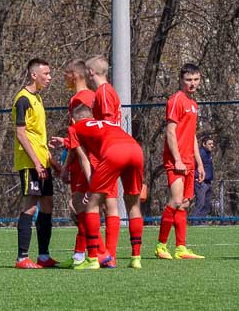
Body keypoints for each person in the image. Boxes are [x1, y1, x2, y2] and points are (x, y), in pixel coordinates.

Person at [67, 105, 145, 270]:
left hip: (114, 152)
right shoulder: (105, 124)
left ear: (73, 119)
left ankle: (94, 258)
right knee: (133, 203)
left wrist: (91, 184)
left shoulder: (74, 128)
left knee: (92, 203)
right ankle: (136, 258)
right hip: (136, 150)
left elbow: (83, 159)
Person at [52, 59, 108, 268]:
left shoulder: (79, 99)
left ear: (74, 75)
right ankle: (82, 254)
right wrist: (66, 142)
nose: (63, 78)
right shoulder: (91, 96)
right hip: (89, 158)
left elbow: (81, 138)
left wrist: (67, 164)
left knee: (81, 209)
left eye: (66, 74)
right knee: (84, 209)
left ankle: (98, 252)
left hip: (82, 162)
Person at [12, 57, 60, 269]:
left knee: (47, 206)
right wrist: (36, 162)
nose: (49, 77)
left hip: (43, 162)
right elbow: (21, 134)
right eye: (46, 73)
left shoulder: (38, 99)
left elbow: (37, 136)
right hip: (31, 163)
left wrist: (52, 162)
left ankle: (43, 255)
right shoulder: (22, 99)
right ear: (34, 75)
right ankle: (22, 257)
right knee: (30, 207)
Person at [156, 63, 205, 260]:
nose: (192, 84)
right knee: (175, 201)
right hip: (176, 161)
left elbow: (192, 135)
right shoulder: (176, 100)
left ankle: (181, 248)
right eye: (188, 80)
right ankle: (161, 246)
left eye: (196, 80)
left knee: (184, 204)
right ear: (181, 80)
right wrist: (177, 159)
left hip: (189, 161)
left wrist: (199, 162)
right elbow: (170, 131)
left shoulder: (194, 104)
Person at [85, 54, 123, 264]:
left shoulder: (104, 92)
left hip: (105, 153)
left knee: (91, 204)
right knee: (109, 203)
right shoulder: (107, 91)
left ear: (91, 72)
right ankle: (109, 255)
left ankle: (105, 253)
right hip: (111, 151)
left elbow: (107, 124)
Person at [191, 136, 215, 222]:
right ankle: (194, 221)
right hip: (200, 182)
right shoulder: (200, 153)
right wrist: (195, 177)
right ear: (204, 144)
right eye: (209, 144)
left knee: (207, 204)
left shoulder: (208, 153)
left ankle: (201, 221)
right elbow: (192, 166)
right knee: (200, 203)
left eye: (212, 144)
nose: (212, 145)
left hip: (208, 182)